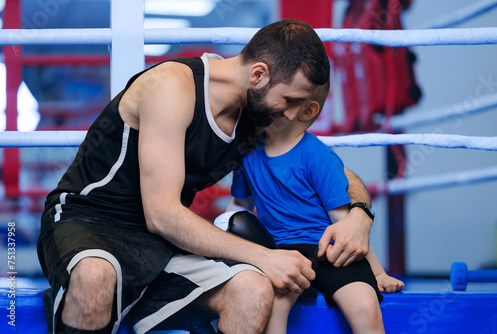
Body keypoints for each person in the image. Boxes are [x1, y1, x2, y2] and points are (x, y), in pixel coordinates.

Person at [37, 19, 374, 334]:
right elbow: (162, 215)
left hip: (161, 247)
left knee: (253, 290)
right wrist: (265, 257)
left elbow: (334, 170)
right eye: (289, 100)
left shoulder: (259, 115)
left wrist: (359, 215)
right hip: (88, 222)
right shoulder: (172, 87)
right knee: (96, 274)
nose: (290, 114)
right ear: (258, 74)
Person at [221, 82, 404, 333]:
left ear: (306, 111)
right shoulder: (247, 154)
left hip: (328, 249)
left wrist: (379, 273)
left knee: (364, 305)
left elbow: (346, 225)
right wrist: (218, 243)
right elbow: (240, 206)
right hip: (280, 254)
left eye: (276, 99)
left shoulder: (317, 156)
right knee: (272, 308)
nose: (261, 104)